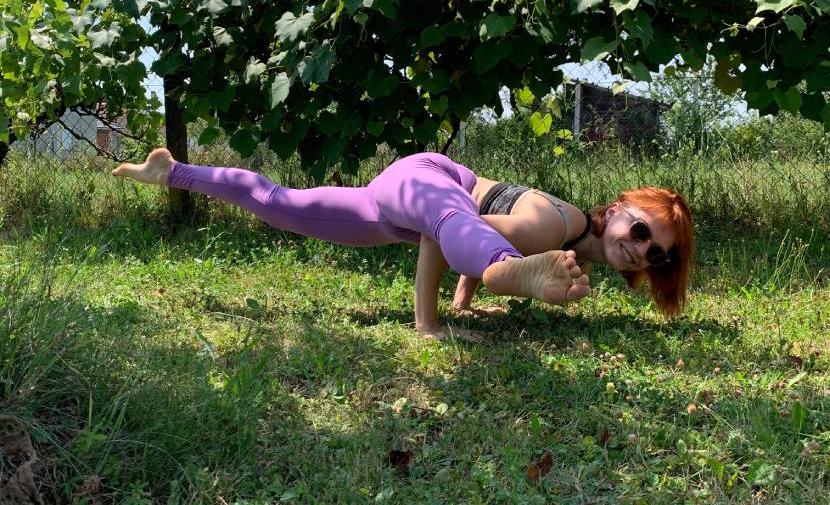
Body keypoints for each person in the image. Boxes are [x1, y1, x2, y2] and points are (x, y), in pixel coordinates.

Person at [112, 149, 693, 339]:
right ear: (614, 210)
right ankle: (507, 272)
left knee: (280, 205)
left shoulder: (557, 235)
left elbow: (459, 229)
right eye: (642, 231)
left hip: (397, 203)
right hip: (428, 188)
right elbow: (443, 240)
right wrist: (430, 324)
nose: (644, 252)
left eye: (657, 254)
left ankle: (171, 171)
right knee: (456, 229)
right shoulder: (553, 226)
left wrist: (465, 303)